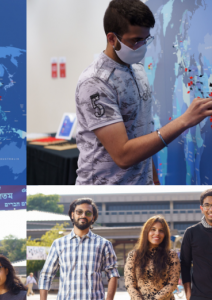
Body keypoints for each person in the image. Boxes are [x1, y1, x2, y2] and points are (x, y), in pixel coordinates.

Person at [75, 0, 212, 185]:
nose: (142, 46)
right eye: (135, 40)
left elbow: (142, 135)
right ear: (112, 39)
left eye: (145, 39)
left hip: (141, 188)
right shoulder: (96, 82)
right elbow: (123, 155)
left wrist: (153, 182)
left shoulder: (137, 70)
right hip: (104, 194)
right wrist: (184, 121)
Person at [39, 198, 119, 300]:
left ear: (93, 217)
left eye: (88, 213)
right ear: (72, 215)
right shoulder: (58, 244)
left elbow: (113, 275)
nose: (83, 215)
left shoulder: (103, 244)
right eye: (79, 212)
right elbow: (46, 274)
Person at [125, 216, 180, 300]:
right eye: (153, 229)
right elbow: (130, 285)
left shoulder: (171, 255)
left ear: (165, 234)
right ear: (146, 232)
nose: (157, 233)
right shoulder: (134, 255)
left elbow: (172, 284)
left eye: (161, 230)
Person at [180, 189, 212, 300]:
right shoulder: (191, 233)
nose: (211, 209)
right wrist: (189, 296)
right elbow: (185, 265)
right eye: (207, 205)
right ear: (202, 208)